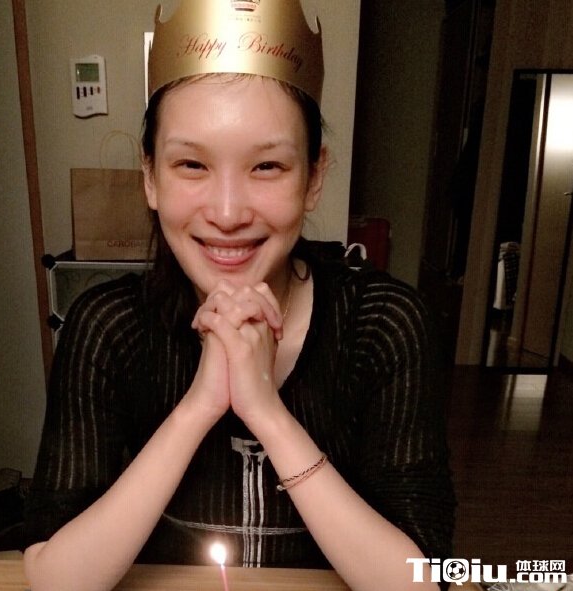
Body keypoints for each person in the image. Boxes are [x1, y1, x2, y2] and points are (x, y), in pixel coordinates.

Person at [23, 1, 455, 590]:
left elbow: (424, 581)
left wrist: (267, 413)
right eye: (191, 164)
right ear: (150, 177)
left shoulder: (385, 324)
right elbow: (57, 579)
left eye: (268, 166)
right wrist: (199, 406)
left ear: (315, 177)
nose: (227, 214)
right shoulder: (108, 325)